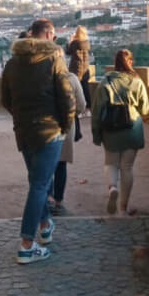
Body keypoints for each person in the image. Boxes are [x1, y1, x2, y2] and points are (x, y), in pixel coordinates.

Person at [1, 19, 75, 264]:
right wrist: (65, 124)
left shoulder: (12, 64)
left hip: (24, 132)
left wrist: (21, 118)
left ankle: (45, 226)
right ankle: (26, 244)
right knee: (39, 185)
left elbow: (5, 99)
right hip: (50, 130)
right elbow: (67, 97)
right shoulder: (54, 60)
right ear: (51, 36)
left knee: (37, 182)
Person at [91, 49, 149, 216]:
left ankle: (112, 188)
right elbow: (145, 109)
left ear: (115, 63)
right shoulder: (137, 81)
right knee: (127, 167)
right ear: (130, 62)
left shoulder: (105, 82)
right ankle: (123, 208)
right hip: (132, 128)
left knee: (111, 164)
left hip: (111, 130)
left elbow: (96, 111)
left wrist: (96, 134)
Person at [48, 65, 86, 215]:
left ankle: (47, 199)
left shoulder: (43, 79)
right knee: (61, 164)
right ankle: (58, 201)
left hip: (46, 126)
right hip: (66, 126)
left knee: (46, 165)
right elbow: (81, 106)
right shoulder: (72, 79)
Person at [66, 25, 92, 111]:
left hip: (76, 69)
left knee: (76, 89)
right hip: (85, 69)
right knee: (85, 88)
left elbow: (68, 52)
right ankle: (88, 107)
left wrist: (70, 41)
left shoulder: (75, 43)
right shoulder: (87, 43)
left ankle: (78, 108)